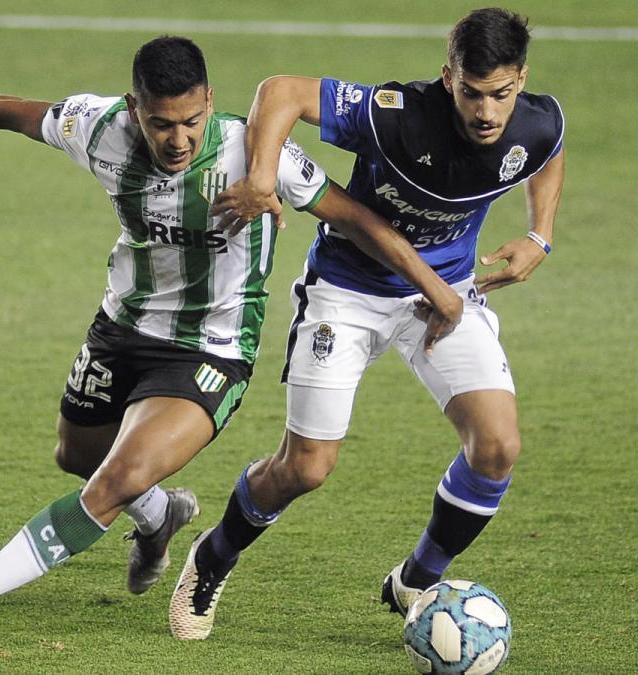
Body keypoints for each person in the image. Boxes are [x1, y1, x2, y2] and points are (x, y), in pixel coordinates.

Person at [0, 36, 462, 648]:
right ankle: (160, 516)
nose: (178, 139)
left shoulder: (252, 153)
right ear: (135, 108)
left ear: (210, 101)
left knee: (112, 481)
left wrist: (436, 289)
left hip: (210, 351)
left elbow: (357, 219)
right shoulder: (99, 128)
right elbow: (10, 112)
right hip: (120, 329)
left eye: (190, 121)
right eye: (161, 123)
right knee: (77, 455)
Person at [168, 8, 565, 640]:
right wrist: (263, 178)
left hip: (442, 301)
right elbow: (281, 92)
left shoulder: (537, 121)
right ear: (448, 76)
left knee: (496, 448)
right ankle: (215, 555)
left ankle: (417, 578)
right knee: (306, 469)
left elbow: (544, 153)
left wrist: (540, 235)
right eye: (471, 92)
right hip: (347, 295)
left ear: (520, 80)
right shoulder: (396, 114)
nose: (487, 112)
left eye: (501, 94)